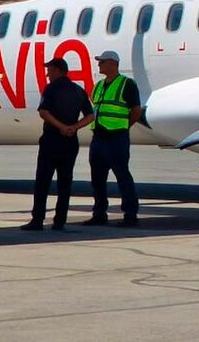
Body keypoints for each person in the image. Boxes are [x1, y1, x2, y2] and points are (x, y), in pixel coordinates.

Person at [21, 58, 94, 231]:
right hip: (70, 142)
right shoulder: (78, 90)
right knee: (65, 182)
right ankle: (60, 220)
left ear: (59, 70)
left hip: (52, 140)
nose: (47, 74)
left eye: (50, 70)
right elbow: (91, 116)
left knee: (43, 182)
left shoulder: (51, 89)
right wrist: (73, 127)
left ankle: (37, 220)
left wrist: (61, 127)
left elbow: (44, 112)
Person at [83, 50, 142, 227]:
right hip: (99, 137)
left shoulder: (127, 84)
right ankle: (99, 213)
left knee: (123, 177)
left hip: (116, 138)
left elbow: (136, 111)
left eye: (102, 62)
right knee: (97, 180)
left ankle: (130, 214)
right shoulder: (99, 85)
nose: (99, 65)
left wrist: (123, 126)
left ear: (112, 64)